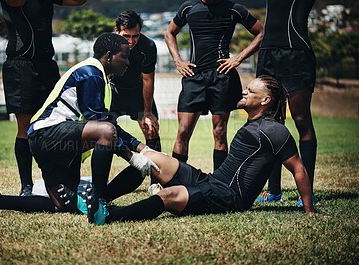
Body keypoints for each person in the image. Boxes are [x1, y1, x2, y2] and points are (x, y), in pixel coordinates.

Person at [0, 33, 158, 222]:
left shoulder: (101, 76)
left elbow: (107, 122)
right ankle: (99, 202)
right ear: (108, 56)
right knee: (105, 131)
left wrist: (141, 148)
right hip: (47, 134)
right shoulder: (91, 73)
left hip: (54, 142)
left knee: (62, 205)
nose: (128, 62)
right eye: (124, 57)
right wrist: (132, 156)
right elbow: (103, 127)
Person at [86, 75, 315, 225]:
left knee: (167, 196)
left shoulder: (275, 131)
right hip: (211, 181)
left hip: (228, 197)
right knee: (150, 159)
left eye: (250, 90)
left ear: (265, 100)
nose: (244, 92)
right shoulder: (255, 123)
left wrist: (308, 210)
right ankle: (100, 198)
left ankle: (109, 217)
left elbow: (298, 169)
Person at [0, 0, 87, 196]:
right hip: (21, 65)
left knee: (56, 123)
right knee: (25, 128)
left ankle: (59, 181)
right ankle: (26, 187)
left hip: (47, 64)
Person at [165, 0, 263, 171]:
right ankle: (175, 183)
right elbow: (169, 33)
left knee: (219, 132)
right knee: (182, 132)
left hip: (222, 76)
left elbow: (261, 33)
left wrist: (238, 58)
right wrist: (178, 61)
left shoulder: (234, 9)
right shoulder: (189, 7)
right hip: (194, 76)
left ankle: (219, 184)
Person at [255, 0, 317, 207]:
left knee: (301, 120)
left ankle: (307, 193)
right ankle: (273, 191)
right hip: (268, 54)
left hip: (296, 53)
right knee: (270, 121)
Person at [111, 11, 162, 186]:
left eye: (136, 36)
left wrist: (147, 112)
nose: (131, 41)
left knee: (152, 129)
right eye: (126, 36)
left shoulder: (148, 46)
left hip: (136, 92)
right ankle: (99, 183)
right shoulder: (107, 43)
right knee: (101, 131)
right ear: (116, 31)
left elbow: (148, 79)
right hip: (113, 91)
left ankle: (156, 182)